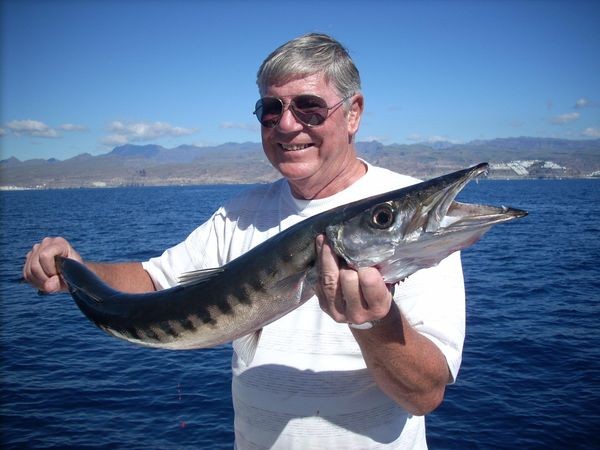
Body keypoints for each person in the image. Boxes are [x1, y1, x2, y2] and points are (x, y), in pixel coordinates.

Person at [23, 33, 465, 449]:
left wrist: (374, 324)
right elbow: (153, 282)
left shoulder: (409, 226)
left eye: (309, 107)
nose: (287, 124)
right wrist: (75, 269)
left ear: (353, 113)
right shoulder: (239, 214)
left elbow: (425, 395)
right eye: (271, 110)